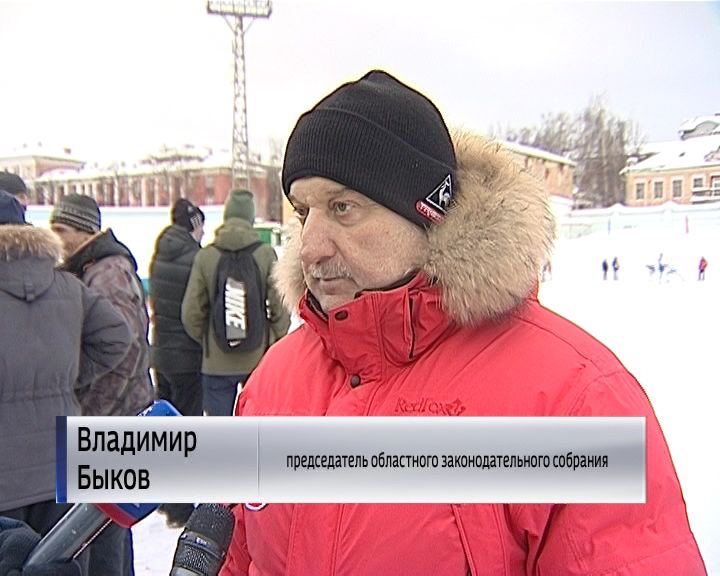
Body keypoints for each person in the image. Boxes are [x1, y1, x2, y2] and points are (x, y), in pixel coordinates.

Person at [220, 70, 706, 574]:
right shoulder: (272, 381)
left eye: (343, 208)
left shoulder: (580, 403)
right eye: (304, 213)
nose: (311, 248)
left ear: (427, 215)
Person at [0, 189, 132, 575]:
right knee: (65, 564)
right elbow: (118, 337)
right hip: (63, 463)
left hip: (6, 475)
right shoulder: (68, 285)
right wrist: (66, 379)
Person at [49, 194, 154, 576]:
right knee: (104, 526)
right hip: (112, 418)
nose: (55, 237)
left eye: (61, 229)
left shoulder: (107, 274)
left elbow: (125, 352)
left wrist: (89, 415)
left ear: (84, 232)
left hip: (112, 420)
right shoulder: (89, 269)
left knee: (103, 531)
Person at [182, 190, 290, 416]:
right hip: (257, 360)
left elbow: (191, 312)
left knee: (220, 433)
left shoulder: (206, 256)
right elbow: (281, 305)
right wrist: (271, 339)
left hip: (216, 364)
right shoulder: (265, 254)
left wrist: (208, 340)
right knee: (257, 429)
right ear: (250, 217)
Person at [148, 198, 205, 528]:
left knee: (166, 431)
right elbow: (196, 310)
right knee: (184, 432)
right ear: (193, 224)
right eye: (201, 225)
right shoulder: (194, 258)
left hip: (162, 354)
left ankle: (166, 500)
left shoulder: (160, 254)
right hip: (186, 357)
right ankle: (181, 509)